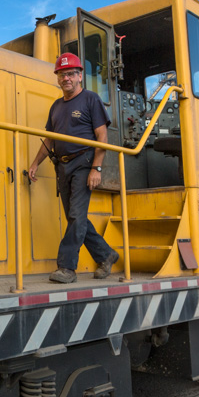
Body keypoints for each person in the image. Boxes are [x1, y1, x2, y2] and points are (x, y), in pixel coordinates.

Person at [27, 53, 120, 283]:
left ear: (80, 76)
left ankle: (67, 267)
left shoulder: (91, 99)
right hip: (63, 166)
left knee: (76, 215)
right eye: (61, 74)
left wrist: (96, 169)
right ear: (57, 78)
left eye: (70, 74)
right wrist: (35, 163)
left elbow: (102, 136)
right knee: (75, 217)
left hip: (84, 162)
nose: (66, 78)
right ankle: (106, 255)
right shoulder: (56, 107)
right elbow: (49, 139)